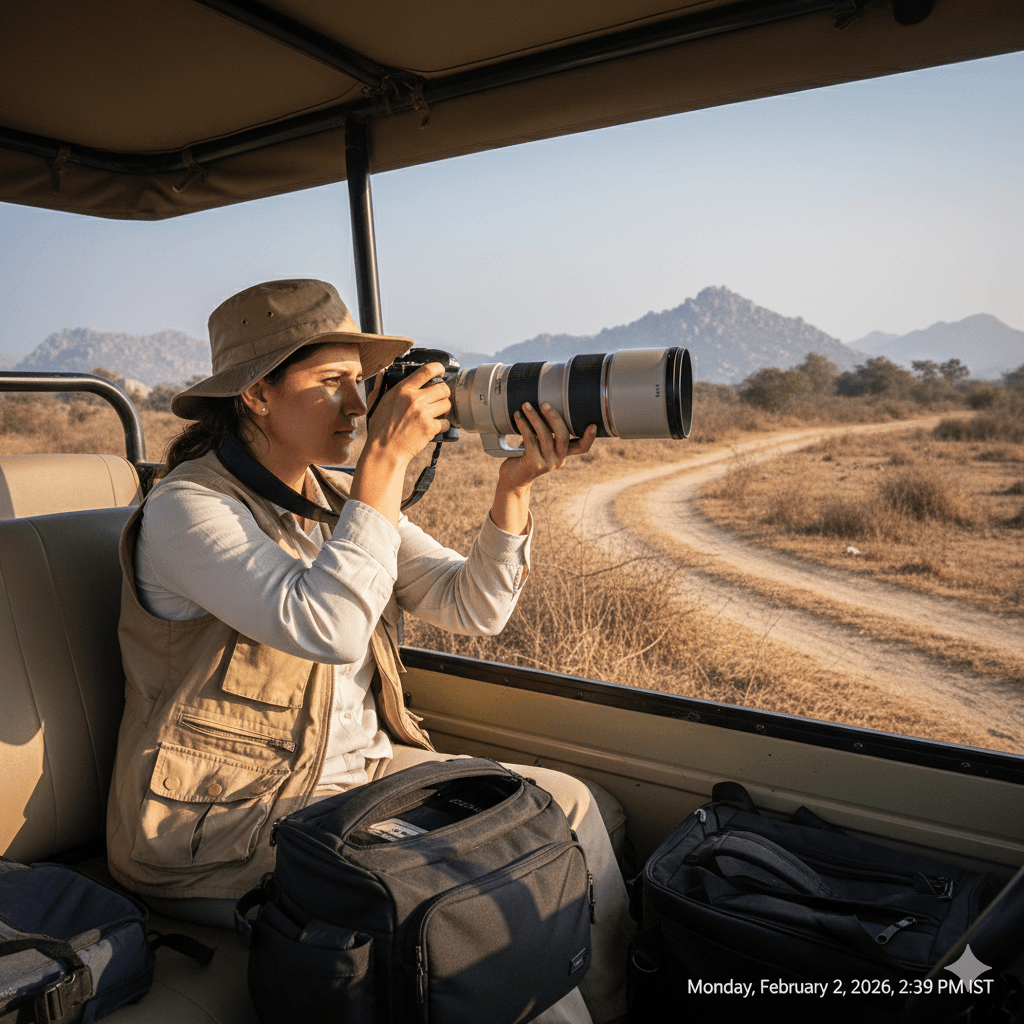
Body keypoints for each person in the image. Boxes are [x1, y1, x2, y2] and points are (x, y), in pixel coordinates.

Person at [106, 279, 632, 1024]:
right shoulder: (189, 508)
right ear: (256, 395)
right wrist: (383, 468)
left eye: (361, 383)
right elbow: (328, 627)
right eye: (330, 384)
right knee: (476, 898)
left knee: (565, 805)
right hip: (224, 820)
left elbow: (472, 606)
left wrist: (513, 488)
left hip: (355, 781)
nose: (359, 406)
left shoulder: (332, 495)